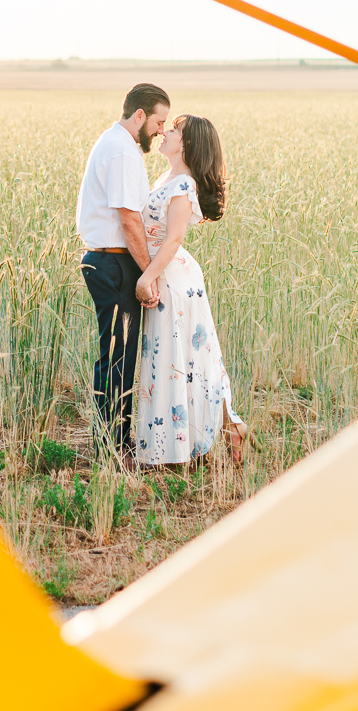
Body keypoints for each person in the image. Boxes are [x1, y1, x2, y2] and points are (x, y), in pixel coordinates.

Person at [133, 114, 248, 465]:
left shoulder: (183, 185)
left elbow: (175, 238)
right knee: (176, 360)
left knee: (182, 361)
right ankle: (208, 433)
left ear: (187, 144)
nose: (165, 132)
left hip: (174, 282)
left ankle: (205, 435)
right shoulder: (167, 177)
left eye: (174, 130)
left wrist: (146, 278)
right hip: (165, 275)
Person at [76, 83, 170, 455]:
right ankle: (113, 447)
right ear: (140, 115)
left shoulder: (117, 145)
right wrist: (149, 273)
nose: (161, 130)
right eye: (159, 121)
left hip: (111, 260)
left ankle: (114, 442)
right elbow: (129, 220)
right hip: (114, 262)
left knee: (118, 355)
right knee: (117, 358)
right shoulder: (121, 153)